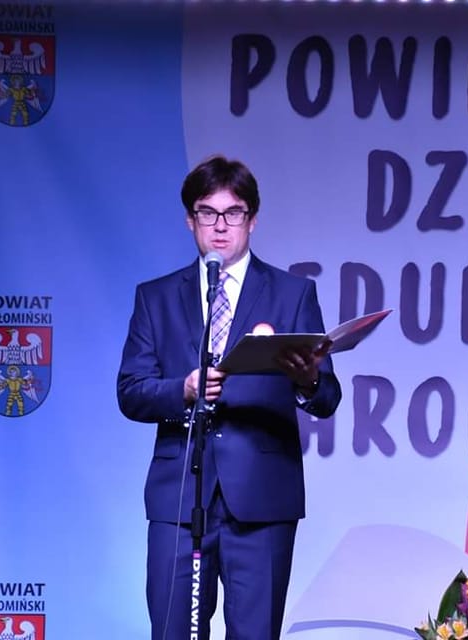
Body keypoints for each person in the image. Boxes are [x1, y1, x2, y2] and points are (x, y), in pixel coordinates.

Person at [116, 154, 342, 640]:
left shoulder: (292, 293)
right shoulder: (155, 297)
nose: (220, 226)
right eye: (207, 212)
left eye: (233, 212)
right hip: (180, 497)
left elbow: (327, 397)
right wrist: (183, 389)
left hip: (262, 498)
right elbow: (131, 391)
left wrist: (306, 381)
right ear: (190, 220)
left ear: (252, 219)